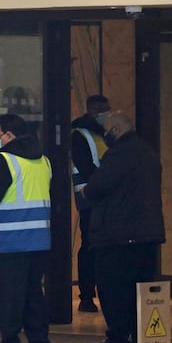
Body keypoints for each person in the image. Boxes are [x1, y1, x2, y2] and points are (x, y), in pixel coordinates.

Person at [81, 112, 166, 343]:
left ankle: (118, 336)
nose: (104, 135)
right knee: (140, 288)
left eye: (106, 130)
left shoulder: (119, 155)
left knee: (114, 288)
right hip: (146, 234)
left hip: (117, 235)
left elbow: (97, 187)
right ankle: (141, 336)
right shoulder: (147, 153)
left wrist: (85, 192)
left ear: (116, 130)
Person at [0, 114, 53, 343]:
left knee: (10, 299)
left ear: (9, 136)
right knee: (34, 296)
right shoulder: (43, 161)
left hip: (10, 242)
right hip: (39, 241)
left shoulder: (5, 161)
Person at [70, 94, 111, 313]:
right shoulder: (80, 135)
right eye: (99, 110)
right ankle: (86, 295)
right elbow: (86, 167)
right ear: (90, 111)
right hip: (88, 197)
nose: (104, 114)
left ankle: (103, 291)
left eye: (106, 109)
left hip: (106, 197)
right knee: (89, 246)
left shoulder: (105, 135)